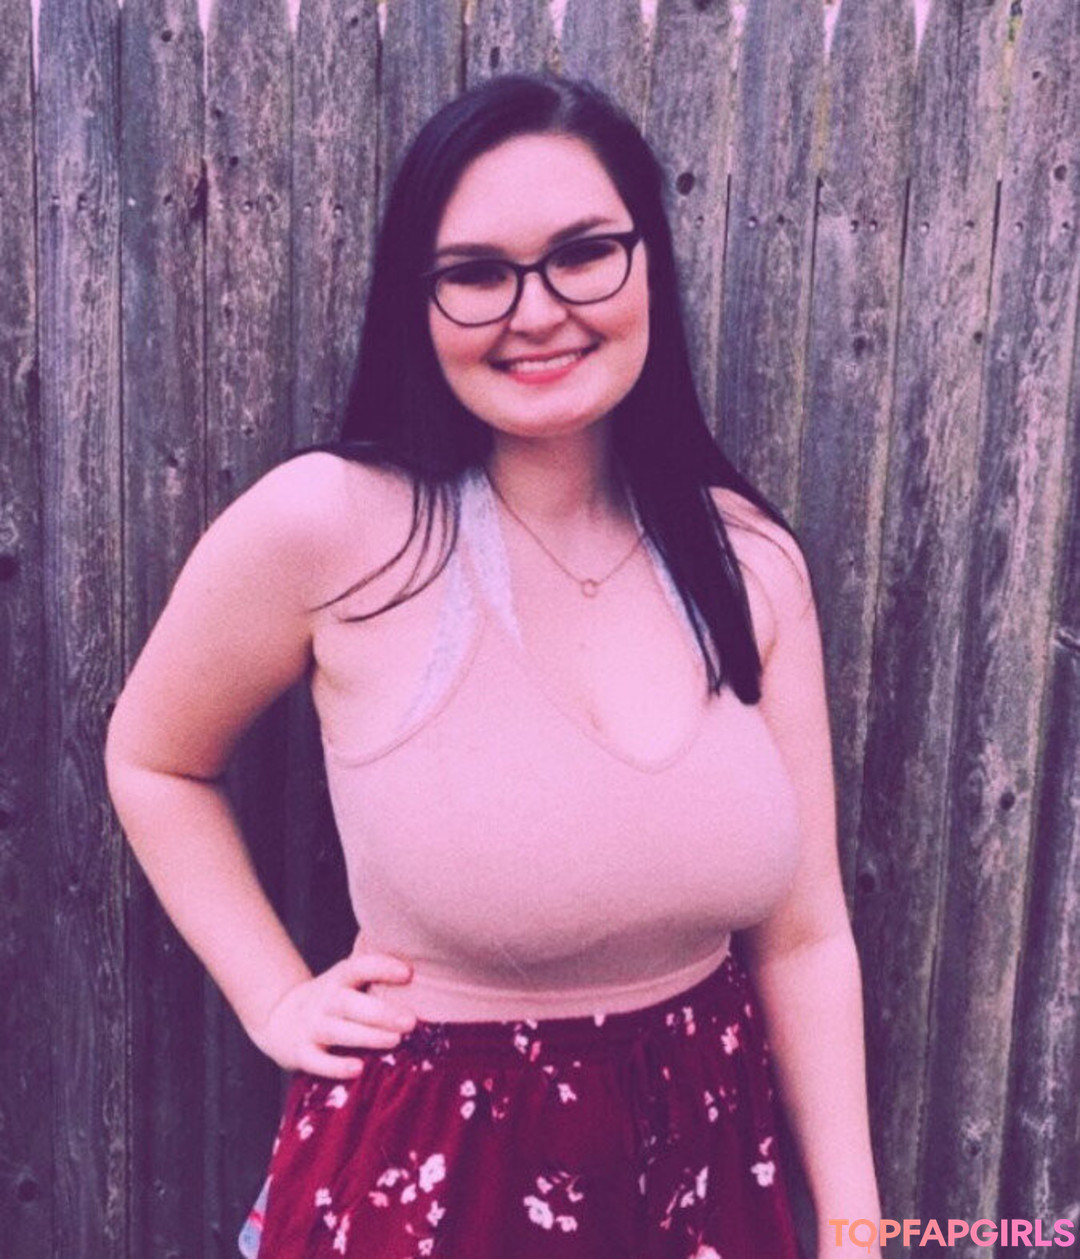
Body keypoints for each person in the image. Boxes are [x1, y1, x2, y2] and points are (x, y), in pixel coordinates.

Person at [105, 73, 881, 1258]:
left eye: (584, 253)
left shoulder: (748, 563)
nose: (537, 310)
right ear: (416, 302)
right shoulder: (333, 527)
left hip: (708, 1173)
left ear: (649, 263)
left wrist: (856, 1223)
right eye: (476, 272)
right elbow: (155, 758)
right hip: (439, 1185)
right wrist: (274, 993)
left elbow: (805, 934)